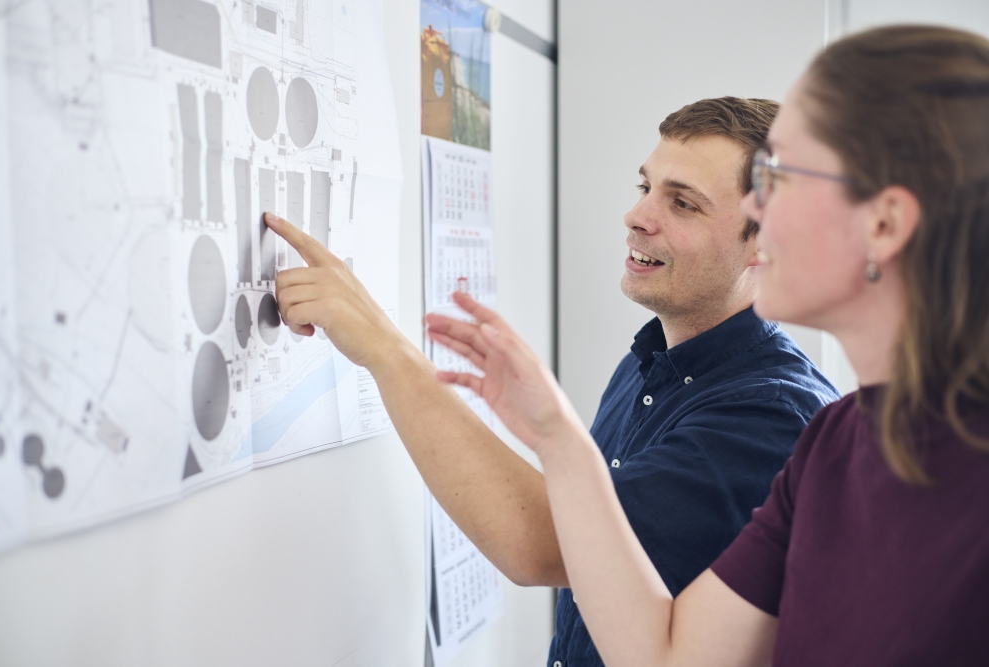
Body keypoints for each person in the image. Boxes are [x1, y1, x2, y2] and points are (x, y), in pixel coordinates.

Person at [426, 24, 989, 666]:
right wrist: (554, 434)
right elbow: (671, 656)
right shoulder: (835, 444)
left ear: (884, 224)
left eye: (780, 177)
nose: (757, 212)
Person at [264, 96, 838, 665]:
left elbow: (541, 543)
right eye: (646, 189)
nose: (637, 216)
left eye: (683, 203)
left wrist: (383, 349)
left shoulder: (770, 419)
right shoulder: (652, 360)